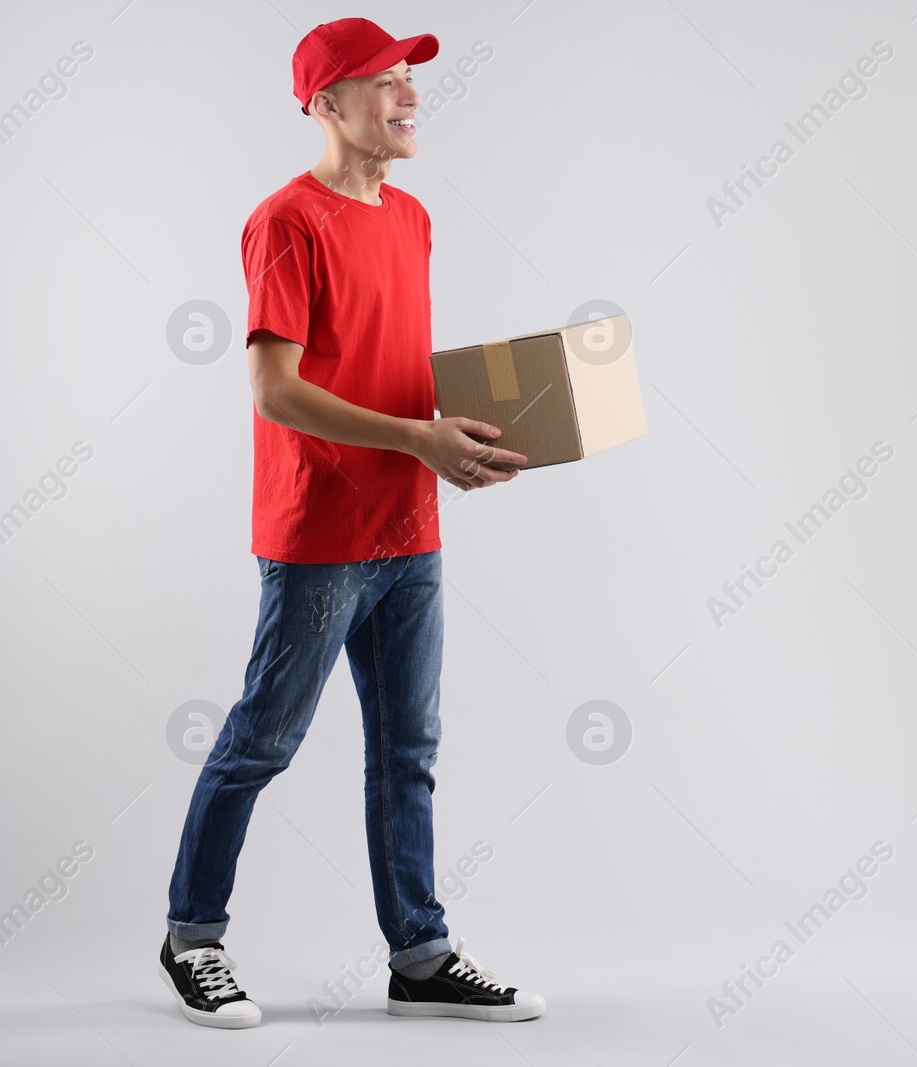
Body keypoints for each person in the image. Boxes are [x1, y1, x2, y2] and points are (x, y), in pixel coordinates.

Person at [158, 17, 542, 1028]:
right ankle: (192, 934)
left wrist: (472, 431)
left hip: (409, 527)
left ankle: (419, 953)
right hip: (320, 536)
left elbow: (392, 365)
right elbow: (276, 391)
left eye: (411, 81)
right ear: (325, 105)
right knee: (263, 739)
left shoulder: (411, 218)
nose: (408, 97)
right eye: (383, 83)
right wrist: (418, 437)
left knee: (407, 749)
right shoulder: (285, 221)